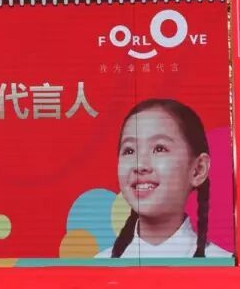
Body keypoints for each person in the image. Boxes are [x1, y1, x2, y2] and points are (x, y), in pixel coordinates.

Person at [96, 99, 232, 258]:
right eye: (129, 151)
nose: (140, 165)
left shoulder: (222, 262)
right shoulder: (100, 263)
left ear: (198, 169)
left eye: (159, 148)